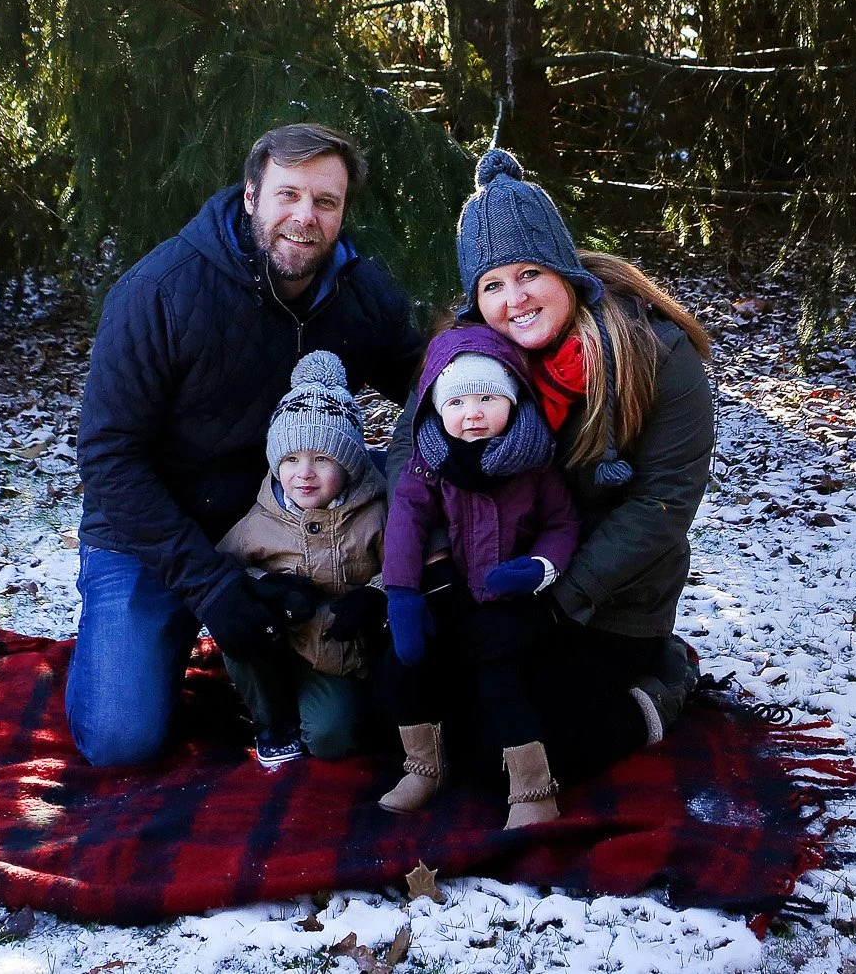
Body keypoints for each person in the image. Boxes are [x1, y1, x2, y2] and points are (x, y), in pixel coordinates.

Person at [70, 124, 426, 767]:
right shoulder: (160, 291)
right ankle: (161, 634)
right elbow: (108, 457)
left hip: (297, 521)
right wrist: (210, 585)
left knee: (370, 711)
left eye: (326, 202)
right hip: (157, 527)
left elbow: (428, 395)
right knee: (120, 740)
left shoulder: (360, 292)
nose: (305, 217)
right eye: (287, 195)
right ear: (250, 196)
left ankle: (300, 672)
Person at [390, 147, 715, 787]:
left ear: (564, 272)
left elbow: (663, 505)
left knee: (519, 754)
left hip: (608, 600)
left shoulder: (657, 356)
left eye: (529, 274)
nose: (514, 300)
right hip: (486, 576)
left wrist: (555, 604)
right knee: (415, 718)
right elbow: (408, 457)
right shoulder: (462, 357)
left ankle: (664, 683)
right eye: (492, 285)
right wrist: (437, 567)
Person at [375, 326, 579, 828]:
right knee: (407, 667)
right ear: (438, 409)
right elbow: (406, 522)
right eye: (458, 401)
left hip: (510, 595)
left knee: (501, 679)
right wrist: (401, 592)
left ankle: (534, 789)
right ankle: (424, 766)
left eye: (488, 397)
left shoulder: (534, 462)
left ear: (512, 400)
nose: (472, 413)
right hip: (447, 590)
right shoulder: (429, 463)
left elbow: (562, 523)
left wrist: (540, 568)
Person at [214, 351, 391, 767]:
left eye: (322, 458)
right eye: (291, 459)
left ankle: (324, 707)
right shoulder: (261, 520)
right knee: (236, 628)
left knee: (332, 738)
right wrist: (263, 586)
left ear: (348, 465)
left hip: (335, 655)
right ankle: (271, 720)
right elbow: (225, 570)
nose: (304, 473)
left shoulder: (378, 513)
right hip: (278, 643)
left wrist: (375, 595)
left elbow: (405, 565)